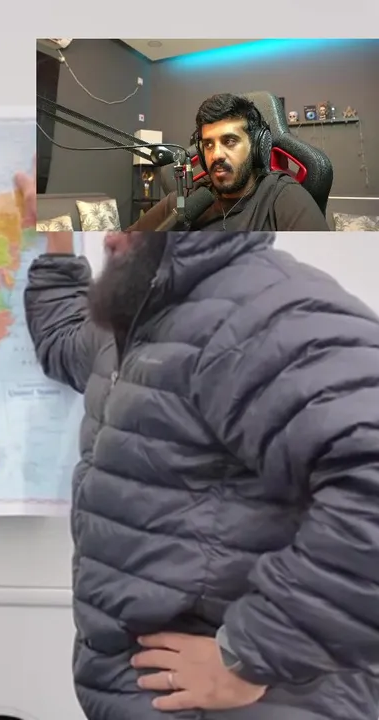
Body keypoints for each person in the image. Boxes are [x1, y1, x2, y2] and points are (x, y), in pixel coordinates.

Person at [24, 228, 379, 719]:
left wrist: (249, 656)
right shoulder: (144, 315)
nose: (108, 234)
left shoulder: (266, 313)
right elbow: (64, 343)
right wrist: (58, 241)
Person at [129, 93, 328, 231]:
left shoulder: (283, 198)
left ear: (257, 146)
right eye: (208, 144)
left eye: (229, 141)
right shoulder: (186, 200)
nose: (216, 155)